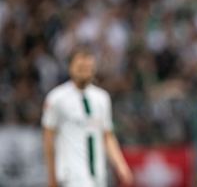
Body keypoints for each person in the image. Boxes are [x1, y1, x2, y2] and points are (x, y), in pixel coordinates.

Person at [42, 47, 133, 187]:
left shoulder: (102, 98)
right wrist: (51, 176)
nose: (85, 72)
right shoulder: (56, 98)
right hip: (71, 175)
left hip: (98, 174)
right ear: (70, 67)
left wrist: (121, 165)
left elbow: (107, 135)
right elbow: (48, 139)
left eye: (88, 67)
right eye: (80, 67)